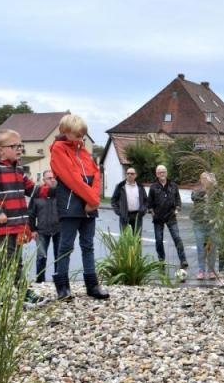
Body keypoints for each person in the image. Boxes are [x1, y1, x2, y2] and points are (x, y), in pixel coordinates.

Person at [0, 129, 46, 307]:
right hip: (3, 226)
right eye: (15, 146)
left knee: (11, 260)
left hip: (17, 225)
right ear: (1, 150)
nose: (20, 149)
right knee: (11, 260)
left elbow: (33, 190)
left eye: (21, 146)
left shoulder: (19, 170)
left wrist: (53, 189)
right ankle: (22, 292)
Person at [50, 115, 110, 301]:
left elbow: (96, 173)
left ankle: (92, 285)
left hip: (88, 206)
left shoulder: (82, 150)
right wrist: (93, 199)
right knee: (66, 247)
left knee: (88, 245)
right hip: (70, 205)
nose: (81, 138)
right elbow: (72, 178)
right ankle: (63, 288)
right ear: (65, 132)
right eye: (77, 135)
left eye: (83, 135)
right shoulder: (59, 149)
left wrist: (93, 201)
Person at [148, 165, 188, 270]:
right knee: (159, 240)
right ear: (157, 174)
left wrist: (177, 210)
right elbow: (149, 204)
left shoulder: (173, 185)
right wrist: (153, 213)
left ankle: (183, 260)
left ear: (166, 173)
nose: (162, 174)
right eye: (160, 172)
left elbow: (178, 200)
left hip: (171, 216)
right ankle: (161, 262)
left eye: (164, 171)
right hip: (158, 218)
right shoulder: (153, 187)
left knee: (177, 238)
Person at [28, 170, 60, 283]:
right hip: (41, 231)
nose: (52, 180)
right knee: (41, 257)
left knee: (59, 257)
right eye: (49, 178)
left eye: (53, 178)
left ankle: (59, 281)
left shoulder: (60, 193)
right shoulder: (37, 194)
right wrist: (32, 229)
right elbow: (31, 213)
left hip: (59, 230)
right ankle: (40, 282)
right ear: (43, 180)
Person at [190, 172, 220, 280]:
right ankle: (201, 270)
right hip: (199, 224)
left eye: (208, 178)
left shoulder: (215, 191)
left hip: (212, 224)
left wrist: (215, 185)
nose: (206, 180)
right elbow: (194, 197)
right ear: (201, 179)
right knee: (201, 248)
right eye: (204, 178)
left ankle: (211, 270)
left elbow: (221, 198)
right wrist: (205, 189)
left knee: (212, 249)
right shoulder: (197, 190)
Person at [111, 167, 147, 234]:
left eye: (132, 174)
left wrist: (143, 210)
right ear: (126, 175)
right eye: (128, 173)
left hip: (137, 215)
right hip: (125, 215)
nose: (130, 175)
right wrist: (119, 212)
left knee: (137, 237)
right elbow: (113, 200)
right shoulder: (120, 186)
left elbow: (145, 201)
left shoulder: (140, 186)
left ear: (135, 175)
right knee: (125, 237)